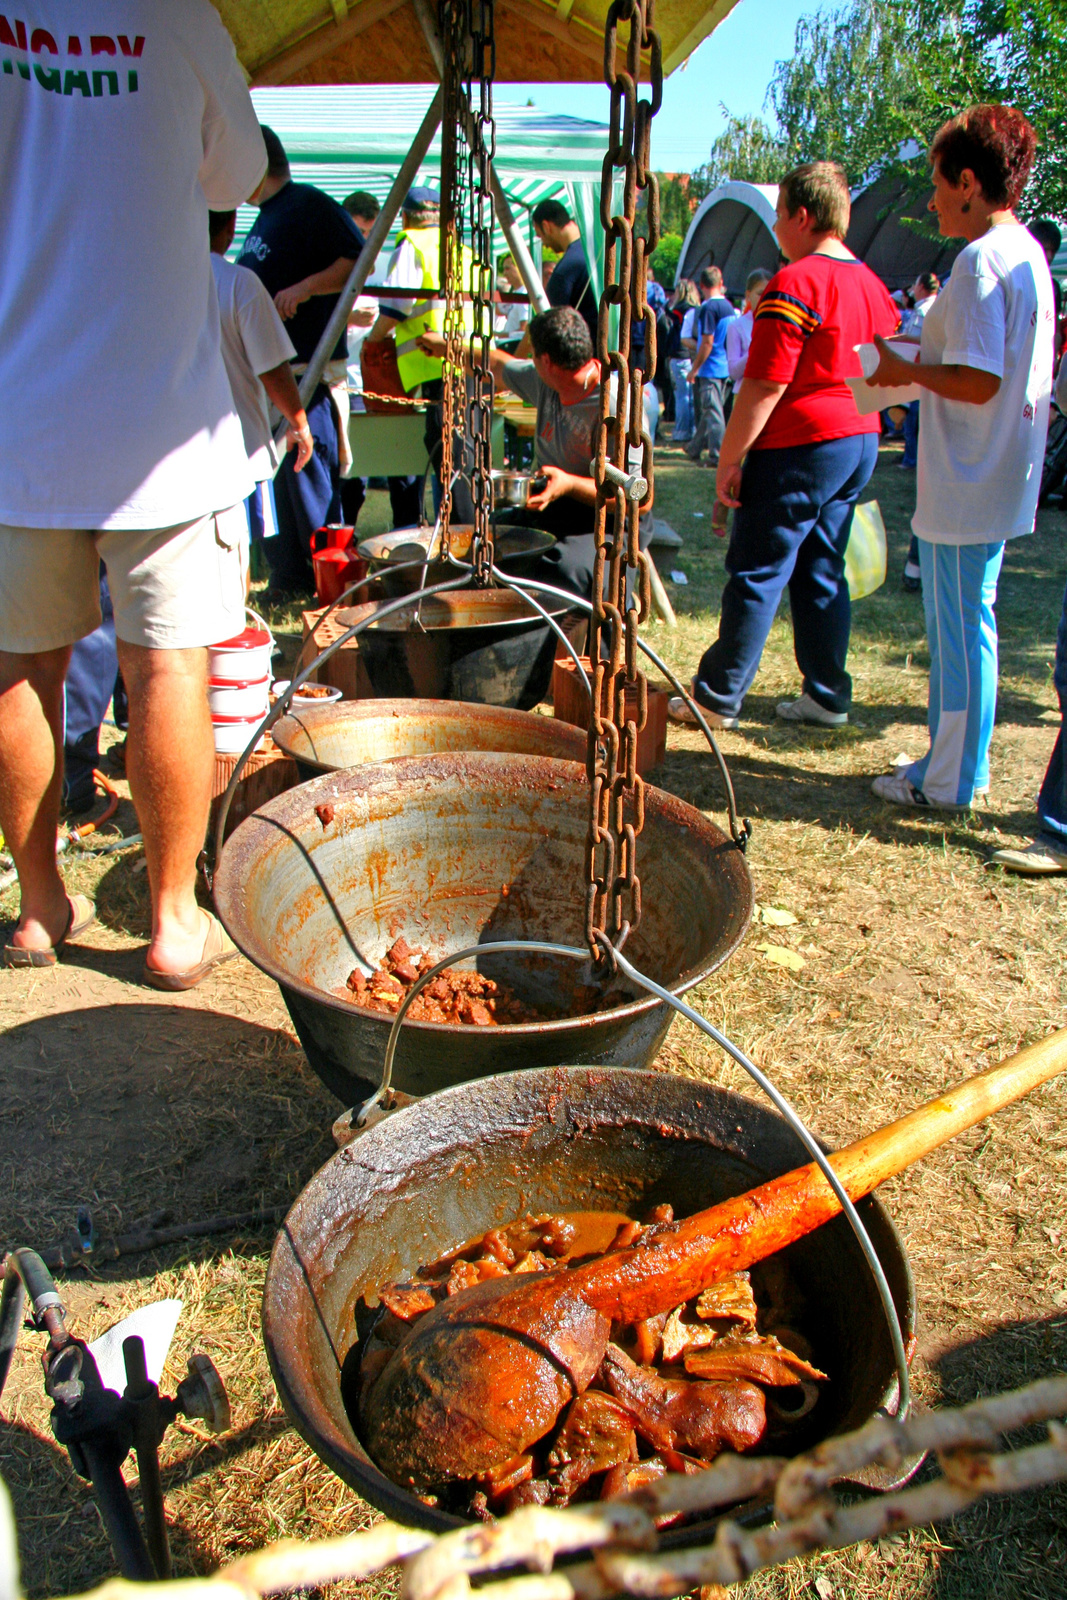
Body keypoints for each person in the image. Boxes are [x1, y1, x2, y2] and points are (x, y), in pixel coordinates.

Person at [0, 0, 265, 982]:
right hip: (162, 424)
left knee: (20, 668)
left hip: (20, 418)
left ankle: (39, 908)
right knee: (167, 667)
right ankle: (172, 920)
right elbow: (236, 174)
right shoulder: (180, 19)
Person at [867, 104, 1054, 812]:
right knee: (967, 624)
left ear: (968, 182)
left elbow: (976, 379)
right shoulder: (1025, 252)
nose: (929, 197)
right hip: (993, 472)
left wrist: (899, 369)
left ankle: (947, 781)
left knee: (958, 631)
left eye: (937, 182)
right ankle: (954, 764)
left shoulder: (979, 261)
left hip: (968, 476)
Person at [669, 161, 899, 730]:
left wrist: (730, 460)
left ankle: (718, 697)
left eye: (777, 218)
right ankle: (827, 694)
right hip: (858, 440)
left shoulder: (795, 281)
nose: (774, 230)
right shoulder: (871, 283)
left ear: (802, 215)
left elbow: (767, 383)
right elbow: (886, 367)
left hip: (802, 441)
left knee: (758, 566)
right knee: (822, 565)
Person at [418, 306, 656, 605]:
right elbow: (496, 363)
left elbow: (640, 500)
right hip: (557, 506)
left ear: (546, 360)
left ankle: (583, 643)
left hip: (609, 519)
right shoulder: (543, 379)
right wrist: (444, 347)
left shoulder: (619, 403)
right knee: (484, 548)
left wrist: (568, 483)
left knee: (565, 570)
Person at [238, 127, 364, 596]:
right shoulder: (265, 216)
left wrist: (306, 287)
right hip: (275, 379)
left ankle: (332, 587)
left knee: (312, 490)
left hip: (307, 377)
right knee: (283, 488)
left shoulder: (307, 203)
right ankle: (290, 579)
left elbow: (357, 261)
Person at [363, 187, 475, 527]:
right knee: (463, 452)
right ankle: (464, 528)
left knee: (446, 453)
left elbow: (398, 304)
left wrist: (374, 338)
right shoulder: (465, 250)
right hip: (468, 365)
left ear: (406, 216)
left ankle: (455, 531)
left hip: (434, 366)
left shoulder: (412, 244)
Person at [209, 210, 314, 550]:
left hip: (169, 457)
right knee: (231, 564)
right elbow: (272, 367)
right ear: (231, 225)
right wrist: (299, 422)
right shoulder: (239, 282)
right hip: (235, 452)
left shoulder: (153, 284)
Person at [898, 271, 942, 591]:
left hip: (933, 401)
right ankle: (915, 569)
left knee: (934, 497)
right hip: (932, 402)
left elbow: (925, 348)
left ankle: (917, 569)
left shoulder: (931, 313)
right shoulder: (930, 313)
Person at [684, 267, 737, 465]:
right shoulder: (729, 307)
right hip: (724, 367)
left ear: (702, 285)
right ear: (720, 282)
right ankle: (694, 447)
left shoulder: (708, 308)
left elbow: (707, 342)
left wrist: (695, 368)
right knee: (711, 411)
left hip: (710, 368)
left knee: (714, 413)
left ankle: (717, 456)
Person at [532, 200, 597, 346]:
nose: (545, 245)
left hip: (588, 355)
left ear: (546, 226)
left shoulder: (566, 269)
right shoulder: (598, 249)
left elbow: (546, 323)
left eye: (540, 236)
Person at [667, 280, 701, 443]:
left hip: (679, 355)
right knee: (692, 397)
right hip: (693, 355)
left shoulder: (676, 312)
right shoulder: (698, 311)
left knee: (681, 396)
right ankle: (694, 429)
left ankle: (681, 430)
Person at [725, 269, 773, 383]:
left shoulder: (778, 324)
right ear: (748, 295)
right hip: (745, 393)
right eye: (760, 294)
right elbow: (733, 372)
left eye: (769, 293)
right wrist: (757, 349)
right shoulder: (737, 326)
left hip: (772, 393)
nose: (765, 298)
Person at [495, 255, 530, 347]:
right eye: (503, 270)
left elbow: (524, 329)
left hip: (513, 346)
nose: (504, 273)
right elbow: (498, 311)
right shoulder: (516, 292)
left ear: (519, 268)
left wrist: (498, 334)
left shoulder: (524, 295)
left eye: (507, 269)